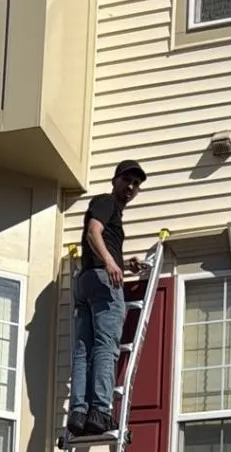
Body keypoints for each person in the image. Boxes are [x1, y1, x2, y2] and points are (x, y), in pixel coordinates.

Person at [67, 159, 147, 437]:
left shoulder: (110, 211)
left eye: (136, 184)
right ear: (115, 181)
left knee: (83, 348)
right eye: (127, 180)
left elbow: (97, 244)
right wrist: (112, 266)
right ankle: (100, 411)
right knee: (105, 347)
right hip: (102, 283)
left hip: (87, 281)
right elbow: (93, 232)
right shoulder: (106, 202)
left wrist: (124, 264)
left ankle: (78, 413)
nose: (131, 187)